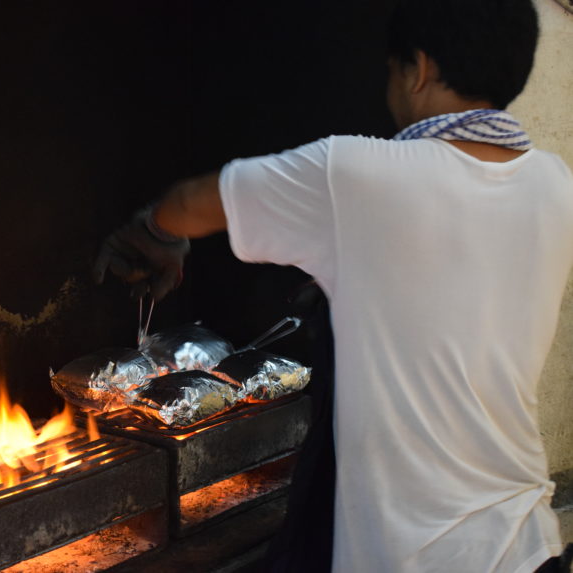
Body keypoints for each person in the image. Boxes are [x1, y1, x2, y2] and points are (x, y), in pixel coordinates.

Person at [93, 0, 573, 571]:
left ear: (416, 69)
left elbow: (195, 202)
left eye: (393, 71)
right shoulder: (553, 181)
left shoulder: (359, 175)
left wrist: (153, 234)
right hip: (527, 544)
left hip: (413, 557)